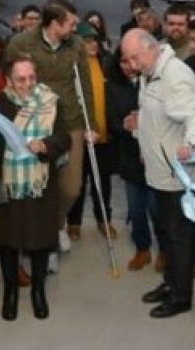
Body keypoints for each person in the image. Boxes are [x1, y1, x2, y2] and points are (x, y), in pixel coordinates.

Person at [121, 29, 195, 319]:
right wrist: (139, 125)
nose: (132, 65)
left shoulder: (176, 75)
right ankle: (170, 283)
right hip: (160, 171)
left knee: (180, 237)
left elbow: (194, 116)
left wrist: (192, 144)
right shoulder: (150, 73)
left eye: (136, 57)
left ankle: (181, 297)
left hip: (179, 174)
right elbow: (158, 116)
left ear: (152, 48)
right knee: (167, 234)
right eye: (128, 59)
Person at [5, 0, 95, 255]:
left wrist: (92, 123)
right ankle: (35, 232)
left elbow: (85, 87)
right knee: (36, 183)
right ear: (54, 24)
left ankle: (56, 223)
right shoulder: (21, 43)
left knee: (71, 187)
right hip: (33, 120)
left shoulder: (75, 45)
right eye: (71, 23)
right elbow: (10, 82)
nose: (75, 28)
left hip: (70, 119)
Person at [0, 54, 71, 321]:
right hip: (8, 184)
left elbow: (65, 137)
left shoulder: (50, 101)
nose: (27, 84)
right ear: (9, 81)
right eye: (21, 79)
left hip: (40, 183)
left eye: (31, 78)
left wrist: (46, 145)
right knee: (8, 242)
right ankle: (10, 292)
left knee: (40, 241)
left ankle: (38, 291)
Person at [106, 45, 157, 271]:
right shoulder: (113, 88)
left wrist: (143, 126)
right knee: (136, 208)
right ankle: (142, 249)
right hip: (130, 156)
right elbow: (114, 123)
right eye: (123, 62)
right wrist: (131, 128)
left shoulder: (154, 82)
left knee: (157, 208)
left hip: (155, 156)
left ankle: (164, 250)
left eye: (132, 61)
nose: (128, 67)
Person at [66, 24, 117, 240]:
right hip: (79, 136)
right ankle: (74, 222)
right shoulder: (72, 67)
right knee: (77, 181)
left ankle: (103, 219)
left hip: (103, 137)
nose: (93, 44)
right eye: (87, 41)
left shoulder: (106, 64)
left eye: (95, 40)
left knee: (102, 183)